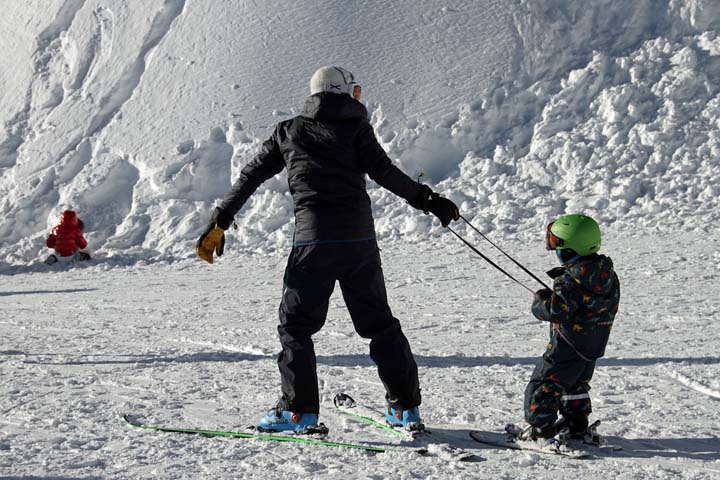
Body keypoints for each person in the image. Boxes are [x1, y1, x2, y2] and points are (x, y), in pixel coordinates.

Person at [197, 66, 459, 433]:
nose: (357, 98)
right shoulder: (356, 129)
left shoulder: (288, 131)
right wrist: (429, 201)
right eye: (354, 92)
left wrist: (221, 217)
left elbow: (251, 174)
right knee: (380, 324)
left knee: (296, 327)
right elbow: (386, 173)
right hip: (358, 243)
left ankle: (299, 411)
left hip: (313, 243)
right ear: (342, 91)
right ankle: (405, 409)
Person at [521, 214, 620, 446]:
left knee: (545, 383)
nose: (554, 248)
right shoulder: (606, 274)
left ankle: (540, 431)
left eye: (557, 243)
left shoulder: (571, 280)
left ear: (568, 249)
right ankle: (576, 425)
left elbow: (557, 311)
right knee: (576, 383)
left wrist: (541, 301)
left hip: (568, 344)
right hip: (592, 345)